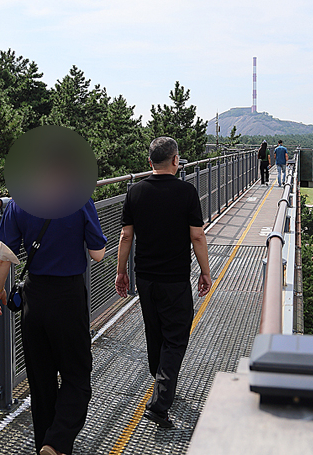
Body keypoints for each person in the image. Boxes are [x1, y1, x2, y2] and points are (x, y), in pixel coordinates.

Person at [0, 200, 107, 455]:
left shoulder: (18, 203)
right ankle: (55, 442)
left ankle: (45, 445)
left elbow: (3, 257)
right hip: (68, 297)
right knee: (77, 376)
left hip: (34, 298)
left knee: (41, 382)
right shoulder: (80, 200)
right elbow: (98, 254)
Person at [115, 136, 213, 429]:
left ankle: (160, 381)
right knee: (176, 336)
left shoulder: (135, 192)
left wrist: (121, 272)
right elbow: (197, 236)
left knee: (154, 329)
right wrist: (205, 272)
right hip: (174, 279)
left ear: (149, 162)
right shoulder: (186, 192)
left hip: (145, 277)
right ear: (175, 160)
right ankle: (159, 404)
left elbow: (125, 236)